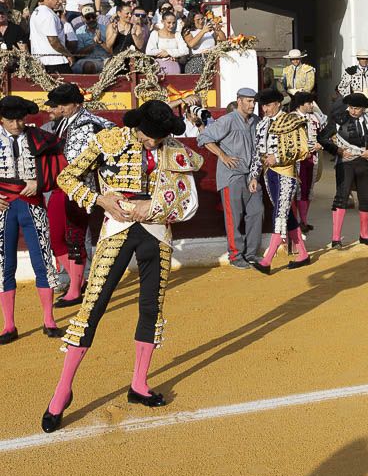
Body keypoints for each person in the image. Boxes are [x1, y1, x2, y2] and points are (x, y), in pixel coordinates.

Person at [42, 100, 204, 432]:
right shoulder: (109, 140)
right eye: (149, 137)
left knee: (150, 309)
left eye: (159, 138)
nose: (154, 144)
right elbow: (67, 177)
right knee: (93, 306)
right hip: (117, 230)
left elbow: (186, 197)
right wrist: (100, 199)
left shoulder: (172, 148)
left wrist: (155, 206)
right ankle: (62, 391)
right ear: (137, 127)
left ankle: (139, 385)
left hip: (157, 232)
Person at [0, 97, 64, 346]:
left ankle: (49, 320)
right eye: (11, 120)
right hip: (4, 206)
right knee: (4, 264)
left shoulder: (39, 138)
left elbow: (59, 164)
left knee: (43, 261)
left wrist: (40, 183)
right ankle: (9, 325)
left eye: (21, 119)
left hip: (33, 203)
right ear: (2, 119)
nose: (17, 124)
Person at [44, 84, 113, 309]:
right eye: (59, 104)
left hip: (79, 187)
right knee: (55, 238)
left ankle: (74, 291)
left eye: (64, 104)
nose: (60, 108)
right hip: (60, 185)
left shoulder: (89, 123)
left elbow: (77, 159)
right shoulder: (66, 120)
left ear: (77, 104)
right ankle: (79, 280)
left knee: (75, 239)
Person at [198, 88, 263, 269]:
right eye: (248, 101)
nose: (252, 105)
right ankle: (235, 255)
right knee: (234, 216)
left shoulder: (256, 121)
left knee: (257, 212)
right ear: (239, 101)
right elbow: (203, 137)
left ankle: (251, 253)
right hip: (231, 176)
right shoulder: (227, 120)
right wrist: (222, 156)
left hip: (252, 175)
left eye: (254, 102)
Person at [248, 88, 312, 274]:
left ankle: (267, 261)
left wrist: (277, 157)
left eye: (267, 105)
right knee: (286, 214)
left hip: (286, 174)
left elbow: (302, 149)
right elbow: (257, 153)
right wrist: (254, 175)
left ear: (277, 104)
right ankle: (303, 255)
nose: (265, 109)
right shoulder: (262, 125)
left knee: (279, 213)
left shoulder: (292, 121)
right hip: (270, 175)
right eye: (263, 106)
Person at [318, 92, 368, 247]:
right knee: (342, 196)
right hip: (345, 162)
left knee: (365, 198)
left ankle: (364, 235)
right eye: (351, 107)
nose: (353, 111)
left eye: (357, 108)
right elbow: (322, 138)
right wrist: (337, 150)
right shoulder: (339, 120)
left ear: (363, 109)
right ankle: (336, 238)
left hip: (365, 162)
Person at [289, 91, 325, 232]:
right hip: (298, 159)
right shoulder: (292, 118)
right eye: (309, 103)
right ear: (300, 105)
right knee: (298, 190)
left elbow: (323, 134)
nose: (312, 105)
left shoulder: (315, 117)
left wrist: (321, 144)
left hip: (312, 157)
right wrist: (312, 146)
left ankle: (303, 221)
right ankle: (297, 222)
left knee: (308, 190)